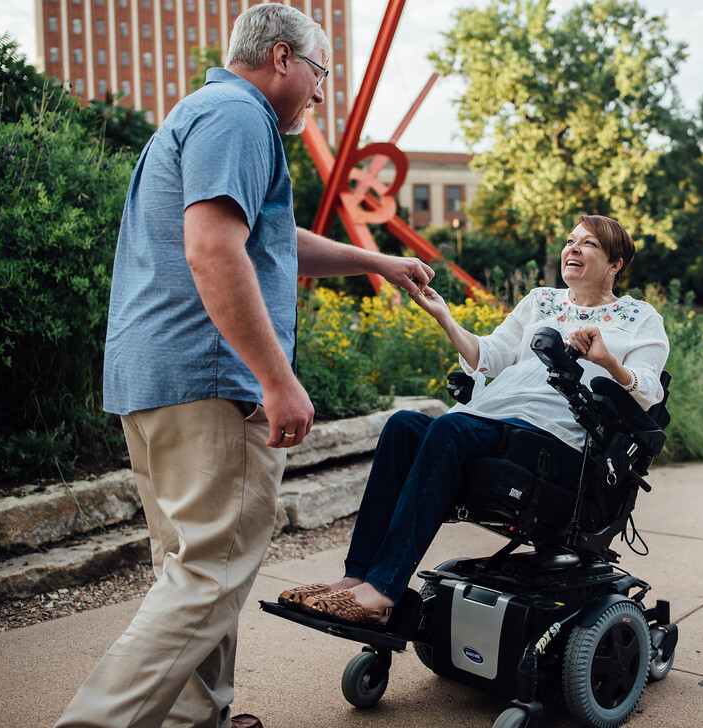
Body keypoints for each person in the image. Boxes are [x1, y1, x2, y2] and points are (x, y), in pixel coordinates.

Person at [54, 5, 433, 728]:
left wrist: (377, 261)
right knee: (208, 575)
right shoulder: (239, 116)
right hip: (208, 379)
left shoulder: (208, 113)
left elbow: (266, 237)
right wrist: (277, 378)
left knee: (197, 574)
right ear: (284, 58)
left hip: (156, 379)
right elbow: (213, 249)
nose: (322, 95)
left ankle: (196, 719)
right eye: (320, 74)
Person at [279, 214, 669, 626]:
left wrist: (608, 360)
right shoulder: (541, 300)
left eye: (587, 244)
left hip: (560, 439)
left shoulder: (639, 318)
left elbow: (648, 391)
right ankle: (356, 575)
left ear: (615, 264)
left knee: (450, 428)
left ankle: (383, 589)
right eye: (570, 241)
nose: (572, 249)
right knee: (403, 426)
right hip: (498, 418)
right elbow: (490, 356)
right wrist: (444, 317)